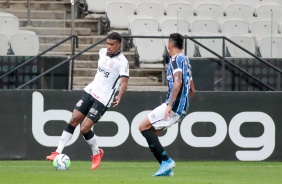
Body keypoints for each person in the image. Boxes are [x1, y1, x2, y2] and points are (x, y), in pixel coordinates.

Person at [46, 32, 129, 170]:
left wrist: (119, 95)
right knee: (73, 119)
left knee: (84, 128)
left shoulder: (122, 62)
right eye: (107, 43)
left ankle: (97, 153)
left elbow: (124, 83)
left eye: (112, 44)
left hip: (103, 98)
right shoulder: (102, 52)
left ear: (119, 45)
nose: (108, 47)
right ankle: (57, 152)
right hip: (90, 90)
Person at [139, 33, 195, 176]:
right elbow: (193, 89)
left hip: (174, 105)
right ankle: (166, 168)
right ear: (182, 46)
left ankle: (166, 161)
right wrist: (184, 109)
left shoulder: (176, 60)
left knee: (142, 127)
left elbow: (178, 82)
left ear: (169, 45)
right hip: (181, 106)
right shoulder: (186, 61)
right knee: (151, 131)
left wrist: (170, 105)